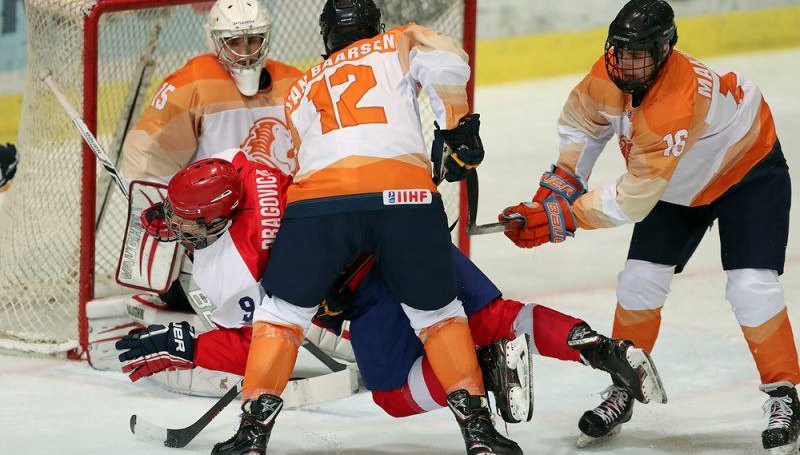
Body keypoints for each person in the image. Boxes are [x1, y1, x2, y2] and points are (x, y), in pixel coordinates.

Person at [116, 150, 665, 439]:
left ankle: (488, 367)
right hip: (400, 220)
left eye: (188, 221)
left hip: (369, 288)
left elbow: (261, 345)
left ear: (217, 219)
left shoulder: (232, 265)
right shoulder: (245, 163)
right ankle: (601, 347)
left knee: (394, 396)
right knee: (495, 314)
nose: (176, 228)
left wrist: (191, 343)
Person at [210, 0, 521, 455]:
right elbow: (447, 58)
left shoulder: (302, 86)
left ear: (326, 37)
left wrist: (330, 262)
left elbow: (298, 162)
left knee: (281, 317)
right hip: (408, 198)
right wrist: (455, 127)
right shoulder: (398, 41)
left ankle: (250, 438)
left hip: (319, 206)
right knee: (438, 317)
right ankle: (479, 435)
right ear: (375, 25)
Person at [499, 0, 800, 452]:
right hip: (677, 185)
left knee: (751, 286)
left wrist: (562, 218)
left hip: (747, 174)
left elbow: (633, 199)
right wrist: (557, 190)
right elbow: (582, 128)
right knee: (638, 282)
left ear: (664, 52)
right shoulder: (608, 74)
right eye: (620, 51)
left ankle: (785, 394)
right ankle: (625, 385)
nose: (626, 64)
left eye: (639, 55)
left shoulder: (675, 105)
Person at [120, 0, 302, 183]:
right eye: (234, 42)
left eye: (253, 40)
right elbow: (148, 158)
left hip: (288, 206)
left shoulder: (295, 82)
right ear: (214, 41)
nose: (244, 52)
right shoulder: (192, 83)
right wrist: (160, 206)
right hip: (217, 210)